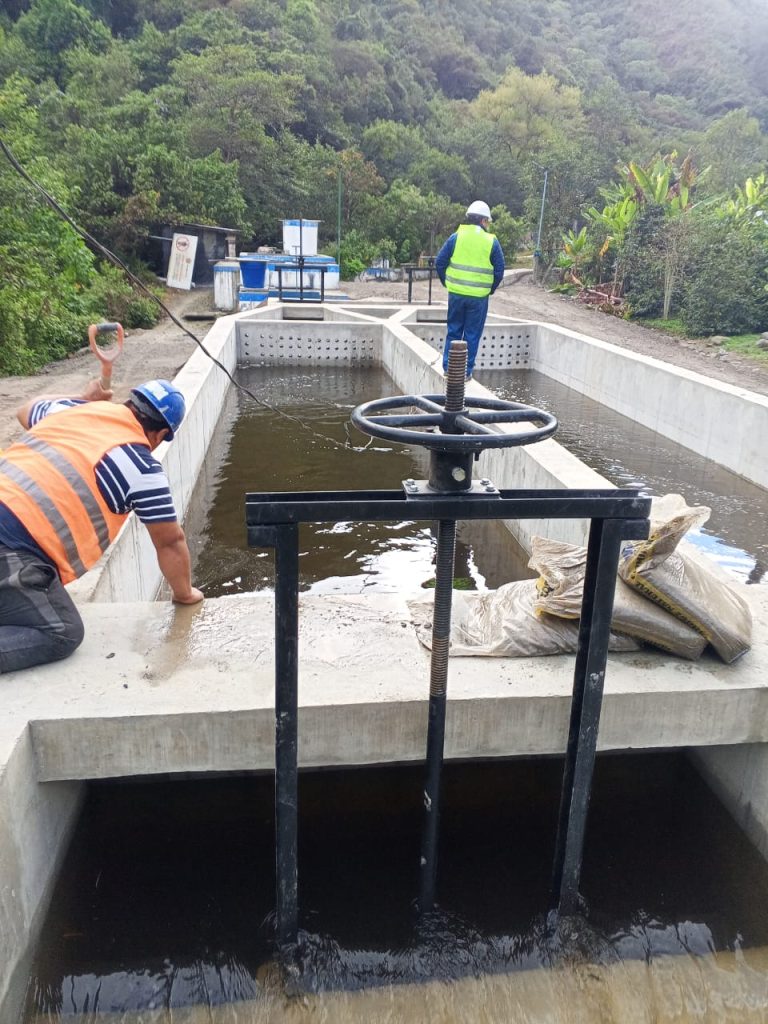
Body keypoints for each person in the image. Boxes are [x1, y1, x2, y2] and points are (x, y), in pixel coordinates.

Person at [0, 377, 204, 673]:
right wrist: (184, 594)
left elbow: (25, 410)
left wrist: (83, 397)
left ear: (130, 403)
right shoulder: (142, 466)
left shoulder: (71, 411)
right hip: (10, 545)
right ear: (159, 435)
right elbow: (170, 542)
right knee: (62, 630)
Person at [435, 200, 505, 380]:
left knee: (453, 331)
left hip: (456, 294)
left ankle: (448, 369)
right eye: (487, 221)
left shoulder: (456, 236)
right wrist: (490, 289)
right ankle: (465, 373)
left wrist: (447, 283)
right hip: (479, 298)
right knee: (472, 334)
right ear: (483, 221)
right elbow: (499, 270)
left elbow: (440, 262)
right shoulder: (491, 241)